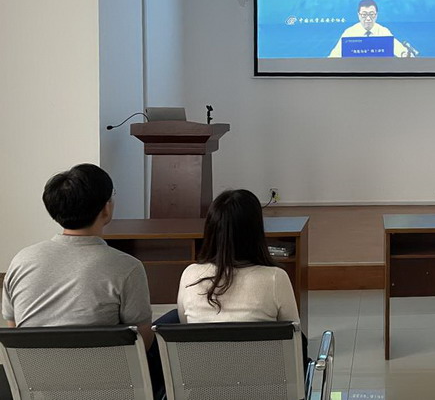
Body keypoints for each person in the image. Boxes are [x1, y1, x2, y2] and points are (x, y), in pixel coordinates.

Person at [1, 164, 156, 397]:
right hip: (106, 386)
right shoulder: (127, 267)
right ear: (106, 209)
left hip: (36, 385)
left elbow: (13, 329)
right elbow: (141, 341)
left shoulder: (21, 260)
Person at [177, 189, 299, 324]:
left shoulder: (190, 275)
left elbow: (183, 324)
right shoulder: (275, 278)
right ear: (256, 233)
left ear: (211, 231)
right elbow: (293, 332)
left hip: (201, 340)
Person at [328, 0, 414, 58]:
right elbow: (333, 57)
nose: (368, 18)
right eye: (364, 14)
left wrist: (404, 54)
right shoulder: (349, 32)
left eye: (371, 14)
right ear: (358, 15)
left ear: (376, 15)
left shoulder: (383, 32)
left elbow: (401, 51)